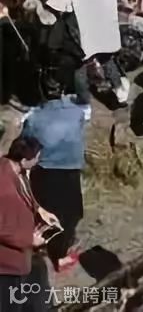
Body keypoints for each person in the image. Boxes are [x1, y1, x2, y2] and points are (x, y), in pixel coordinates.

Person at [45, 0, 142, 106]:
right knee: (106, 57)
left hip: (81, 31)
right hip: (105, 26)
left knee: (80, 66)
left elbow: (63, 6)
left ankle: (84, 103)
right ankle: (119, 91)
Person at [19, 70, 90, 273]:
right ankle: (60, 254)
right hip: (71, 171)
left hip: (46, 172)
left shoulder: (34, 118)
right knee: (71, 213)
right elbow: (84, 99)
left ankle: (41, 247)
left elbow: (25, 142)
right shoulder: (76, 112)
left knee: (45, 213)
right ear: (63, 90)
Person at [0, 136, 51, 312]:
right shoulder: (4, 189)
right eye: (36, 157)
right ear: (24, 160)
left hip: (23, 255)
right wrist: (30, 240)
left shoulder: (14, 169)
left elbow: (25, 193)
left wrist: (39, 210)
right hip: (8, 263)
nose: (38, 160)